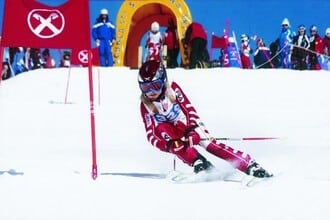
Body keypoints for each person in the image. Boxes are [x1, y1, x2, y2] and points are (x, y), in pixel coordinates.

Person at [137, 59, 273, 178]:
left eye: (155, 86)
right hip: (172, 131)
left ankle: (248, 164)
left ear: (163, 81)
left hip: (187, 122)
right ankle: (199, 162)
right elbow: (151, 134)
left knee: (209, 144)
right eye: (146, 88)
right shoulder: (145, 105)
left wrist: (191, 130)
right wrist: (168, 145)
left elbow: (189, 110)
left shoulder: (172, 89)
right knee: (166, 133)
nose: (151, 92)